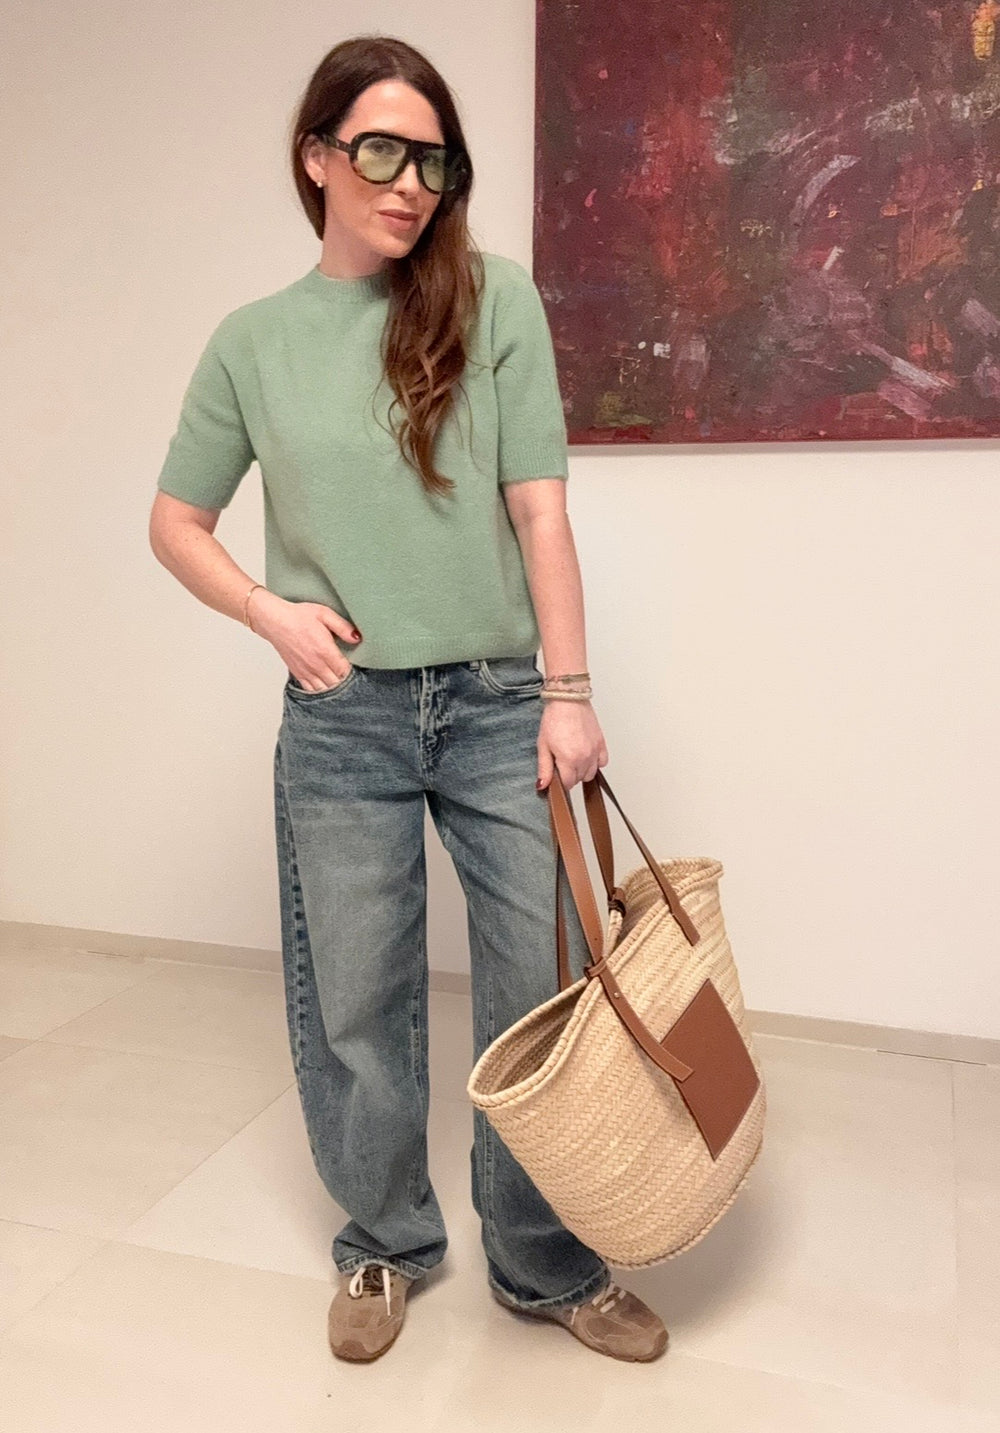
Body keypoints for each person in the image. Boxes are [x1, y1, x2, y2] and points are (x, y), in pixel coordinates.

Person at [148, 35, 668, 1365]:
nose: (409, 184)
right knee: (361, 1001)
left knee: (538, 989)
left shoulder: (494, 303)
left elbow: (540, 511)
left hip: (500, 704)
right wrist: (268, 610)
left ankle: (543, 1259)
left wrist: (569, 692)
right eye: (380, 151)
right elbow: (175, 522)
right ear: (317, 159)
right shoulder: (253, 343)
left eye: (433, 161)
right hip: (346, 721)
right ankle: (385, 1238)